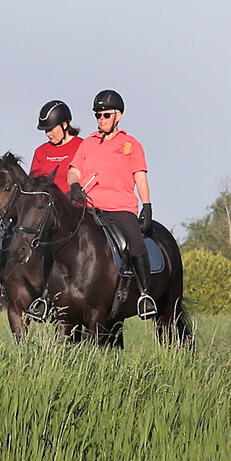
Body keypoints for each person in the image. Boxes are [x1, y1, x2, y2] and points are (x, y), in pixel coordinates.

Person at [66, 88, 158, 318]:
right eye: (98, 115)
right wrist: (75, 186)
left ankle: (145, 294)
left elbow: (140, 176)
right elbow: (73, 171)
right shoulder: (87, 144)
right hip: (89, 207)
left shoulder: (130, 144)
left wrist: (146, 205)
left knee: (136, 243)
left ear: (118, 115)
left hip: (120, 207)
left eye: (106, 115)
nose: (101, 119)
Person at [29, 99, 83, 190]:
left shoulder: (82, 146)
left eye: (51, 129)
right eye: (46, 131)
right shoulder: (41, 151)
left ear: (64, 125)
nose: (48, 134)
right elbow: (32, 184)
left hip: (74, 202)